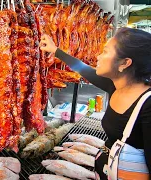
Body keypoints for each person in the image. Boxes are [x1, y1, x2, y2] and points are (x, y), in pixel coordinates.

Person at [40, 27, 151, 179]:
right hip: (104, 171)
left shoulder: (148, 105)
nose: (98, 57)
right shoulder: (116, 85)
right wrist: (55, 50)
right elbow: (83, 69)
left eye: (105, 52)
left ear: (125, 63)